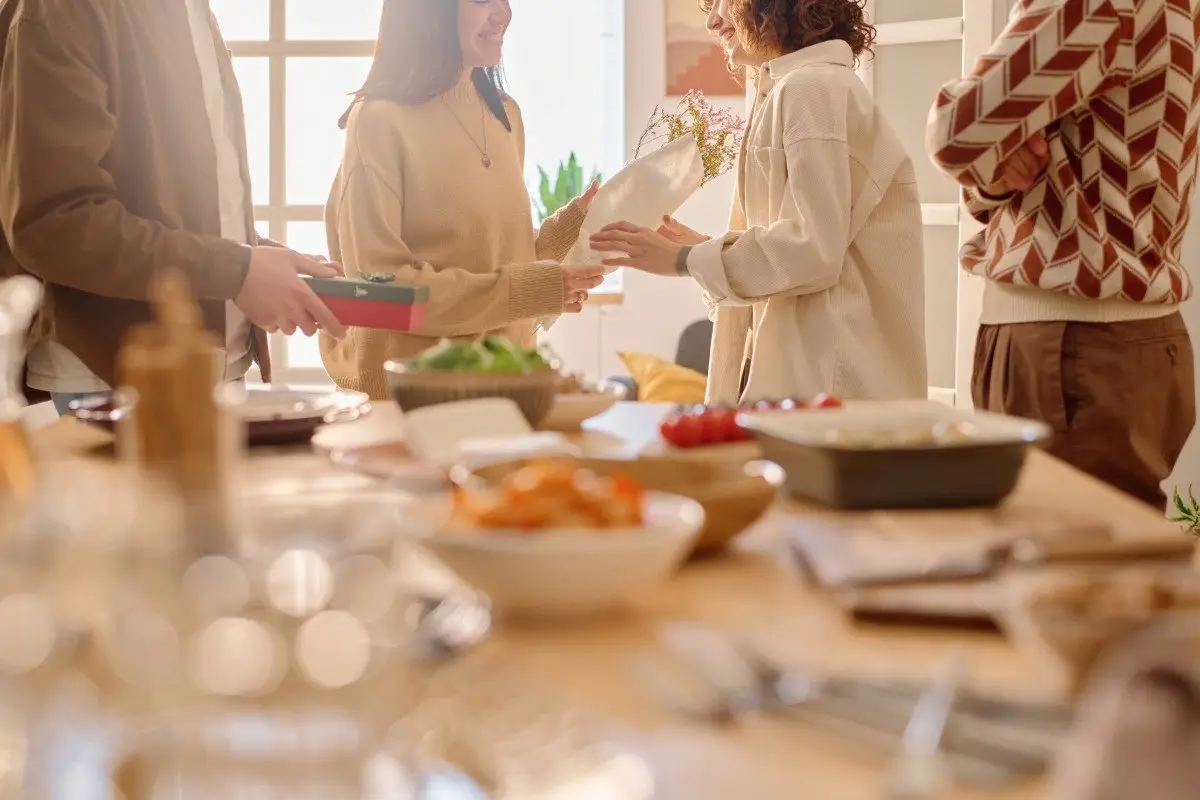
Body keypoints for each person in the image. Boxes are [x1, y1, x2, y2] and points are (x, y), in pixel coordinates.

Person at [0, 0, 346, 415]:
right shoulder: (65, 9)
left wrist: (257, 259)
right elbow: (55, 222)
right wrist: (238, 269)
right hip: (112, 377)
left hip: (211, 366)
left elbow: (165, 201)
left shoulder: (190, 11)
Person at [926, 0, 1199, 509]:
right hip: (1108, 341)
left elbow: (955, 131)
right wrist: (995, 172)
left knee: (1057, 548)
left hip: (1070, 346)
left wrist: (994, 151)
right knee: (1099, 550)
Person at [588, 0, 927, 404]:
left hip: (833, 391)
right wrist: (706, 251)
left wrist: (686, 259)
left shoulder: (810, 89)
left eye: (724, 2)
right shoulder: (797, 89)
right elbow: (811, 245)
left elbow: (813, 251)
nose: (713, 21)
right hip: (821, 386)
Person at [319, 0, 604, 399]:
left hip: (506, 387)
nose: (504, 13)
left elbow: (492, 260)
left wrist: (574, 227)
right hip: (409, 397)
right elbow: (382, 293)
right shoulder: (379, 121)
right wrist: (529, 290)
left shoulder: (505, 115)